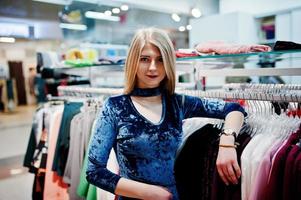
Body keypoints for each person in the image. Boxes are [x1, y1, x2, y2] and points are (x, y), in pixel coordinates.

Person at [86, 27, 246, 200]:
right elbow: (94, 172)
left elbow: (234, 109)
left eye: (161, 60)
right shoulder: (116, 107)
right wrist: (149, 193)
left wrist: (227, 143)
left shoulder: (177, 103)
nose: (153, 67)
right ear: (133, 61)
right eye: (145, 59)